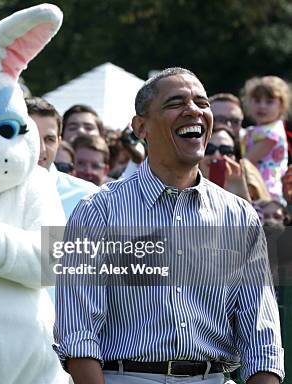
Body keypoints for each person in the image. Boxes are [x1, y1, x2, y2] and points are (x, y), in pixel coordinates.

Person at [54, 67, 284, 384]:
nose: (194, 110)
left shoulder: (239, 217)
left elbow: (263, 341)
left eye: (202, 103)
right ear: (141, 126)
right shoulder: (96, 212)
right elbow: (77, 332)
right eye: (175, 103)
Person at [26, 97, 99, 218]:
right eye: (31, 137)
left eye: (49, 140)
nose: (41, 149)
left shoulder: (88, 198)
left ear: (59, 142)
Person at [241, 76, 289, 202]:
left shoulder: (272, 134)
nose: (262, 106)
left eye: (269, 102)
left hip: (267, 191)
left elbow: (247, 160)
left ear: (281, 106)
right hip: (257, 187)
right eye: (257, 100)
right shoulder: (256, 130)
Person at [199, 126, 269, 202]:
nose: (217, 155)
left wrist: (241, 195)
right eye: (209, 149)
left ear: (237, 159)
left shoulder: (251, 186)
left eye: (226, 151)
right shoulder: (186, 188)